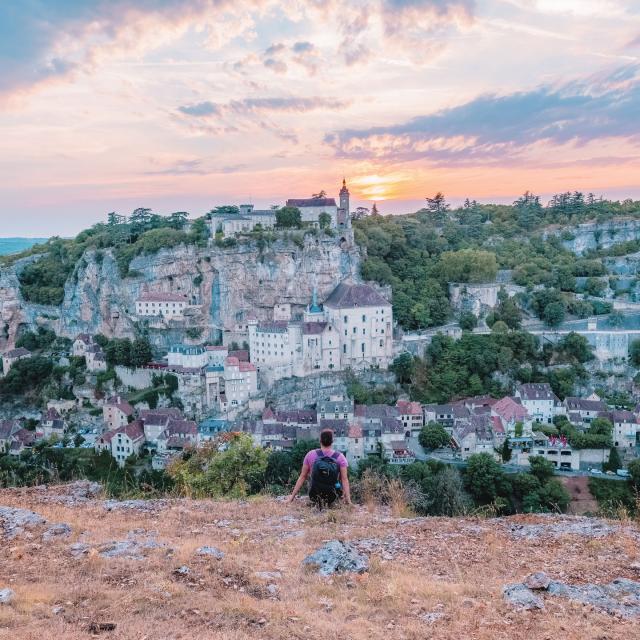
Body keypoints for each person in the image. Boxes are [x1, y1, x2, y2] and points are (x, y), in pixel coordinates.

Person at [287, 429, 351, 507]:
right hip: (333, 497)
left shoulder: (310, 455)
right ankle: (338, 499)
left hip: (314, 496)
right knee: (339, 481)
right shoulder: (340, 457)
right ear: (332, 441)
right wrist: (349, 501)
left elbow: (302, 477)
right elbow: (344, 479)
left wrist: (291, 497)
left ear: (320, 440)